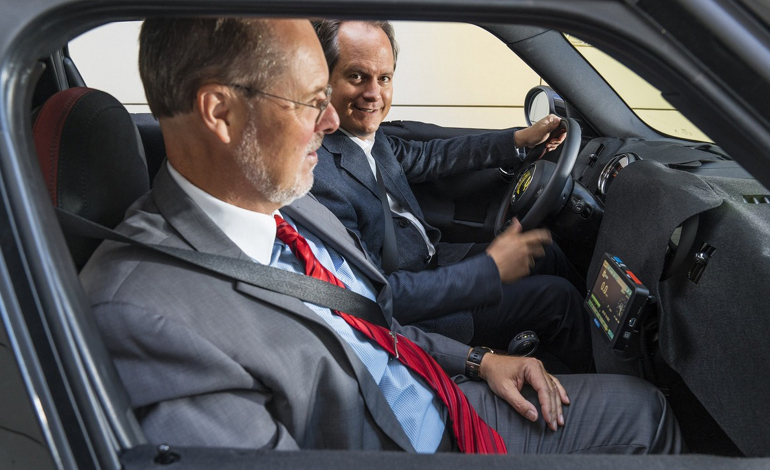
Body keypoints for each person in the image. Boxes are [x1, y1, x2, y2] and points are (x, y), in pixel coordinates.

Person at [80, 17, 681, 454]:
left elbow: (370, 316)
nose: (331, 121)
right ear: (220, 112)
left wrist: (478, 361)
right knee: (646, 416)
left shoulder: (287, 209)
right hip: (411, 441)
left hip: (437, 387)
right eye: (311, 100)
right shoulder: (142, 317)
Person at [311, 20, 590, 372]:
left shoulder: (369, 137)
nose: (374, 93)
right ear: (322, 80)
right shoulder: (319, 175)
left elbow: (434, 156)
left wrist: (519, 140)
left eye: (384, 78)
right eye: (356, 77)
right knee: (558, 300)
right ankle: (612, 381)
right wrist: (489, 270)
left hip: (434, 262)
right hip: (419, 316)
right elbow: (374, 295)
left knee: (544, 252)